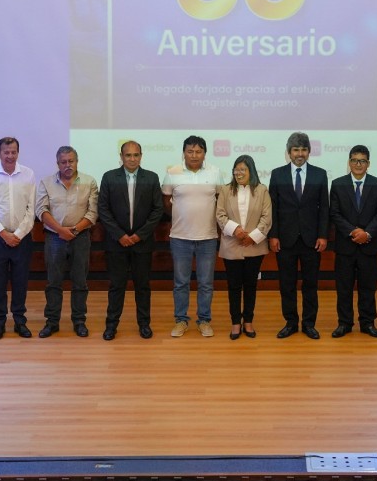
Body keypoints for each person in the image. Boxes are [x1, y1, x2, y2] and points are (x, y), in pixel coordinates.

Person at [98, 140, 164, 340]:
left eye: (136, 155)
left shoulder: (151, 178)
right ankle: (111, 326)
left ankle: (144, 324)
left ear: (141, 156)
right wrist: (120, 235)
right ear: (121, 157)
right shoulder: (109, 177)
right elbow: (103, 209)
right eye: (128, 155)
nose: (132, 159)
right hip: (116, 243)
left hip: (142, 243)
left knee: (142, 286)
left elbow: (157, 210)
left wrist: (139, 235)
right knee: (116, 286)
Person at [268, 132, 330, 340]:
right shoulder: (277, 174)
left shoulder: (320, 174)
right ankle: (291, 323)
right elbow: (273, 208)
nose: (300, 154)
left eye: (304, 150)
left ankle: (309, 324)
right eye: (296, 150)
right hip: (285, 239)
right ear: (289, 152)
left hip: (312, 240)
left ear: (309, 152)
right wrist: (273, 235)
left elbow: (324, 208)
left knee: (310, 284)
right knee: (287, 285)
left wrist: (323, 235)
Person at [162, 135, 222, 338]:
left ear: (205, 153)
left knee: (206, 283)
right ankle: (181, 320)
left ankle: (204, 320)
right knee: (181, 283)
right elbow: (166, 201)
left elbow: (220, 200)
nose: (194, 155)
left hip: (208, 237)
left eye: (198, 151)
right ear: (184, 153)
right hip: (180, 237)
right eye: (190, 151)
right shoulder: (173, 172)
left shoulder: (215, 172)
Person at [36, 146, 99, 338]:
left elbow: (93, 212)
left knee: (80, 281)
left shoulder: (89, 182)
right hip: (55, 237)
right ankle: (52, 322)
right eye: (63, 162)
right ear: (58, 164)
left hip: (81, 237)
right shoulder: (46, 182)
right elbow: (41, 210)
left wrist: (75, 230)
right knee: (53, 282)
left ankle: (79, 321)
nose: (68, 165)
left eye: (71, 161)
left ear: (77, 161)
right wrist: (60, 230)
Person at [328, 145, 377, 338]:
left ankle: (368, 323)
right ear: (349, 162)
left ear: (368, 163)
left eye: (362, 161)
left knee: (368, 288)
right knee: (344, 288)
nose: (358, 164)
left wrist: (367, 233)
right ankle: (344, 323)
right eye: (354, 160)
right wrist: (353, 231)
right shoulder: (338, 184)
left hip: (369, 245)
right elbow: (334, 213)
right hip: (345, 246)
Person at [0, 137, 36, 340]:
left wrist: (18, 235)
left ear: (18, 153)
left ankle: (20, 321)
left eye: (13, 152)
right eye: (6, 152)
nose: (10, 156)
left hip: (22, 238)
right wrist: (4, 234)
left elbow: (31, 209)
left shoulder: (28, 174)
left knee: (20, 282)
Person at [216, 155, 273, 340]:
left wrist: (252, 237)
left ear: (251, 171)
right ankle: (235, 322)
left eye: (243, 169)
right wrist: (236, 230)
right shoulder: (225, 190)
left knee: (250, 285)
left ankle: (248, 321)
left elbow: (267, 217)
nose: (238, 173)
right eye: (236, 169)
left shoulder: (262, 190)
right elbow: (220, 215)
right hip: (231, 244)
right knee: (233, 286)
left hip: (254, 246)